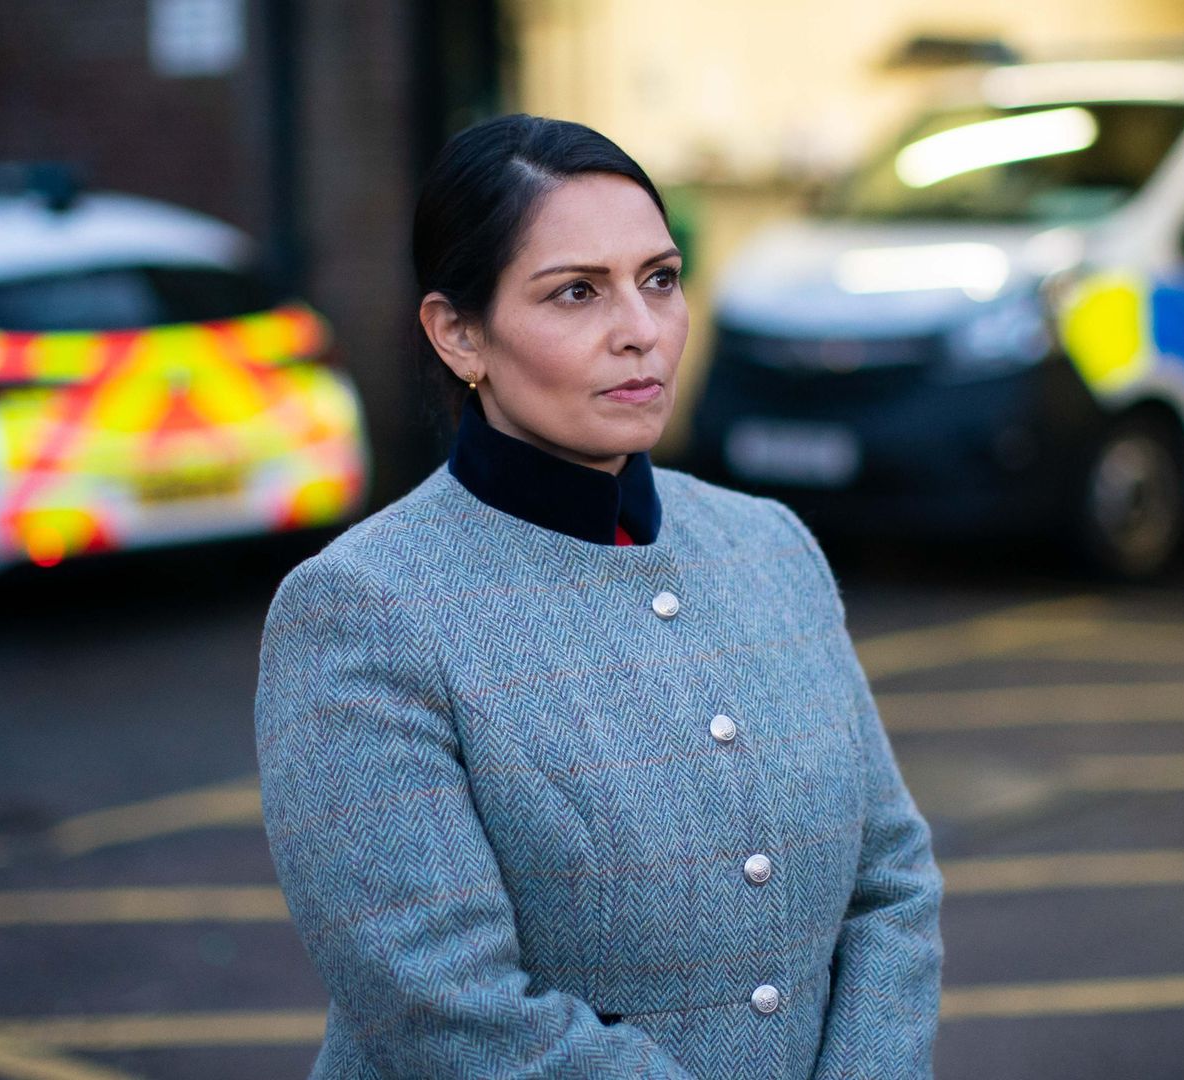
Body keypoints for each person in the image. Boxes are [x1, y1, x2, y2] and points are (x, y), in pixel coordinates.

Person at [255, 114, 943, 1079]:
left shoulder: (768, 546)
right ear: (459, 334)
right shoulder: (363, 611)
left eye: (660, 280)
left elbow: (890, 884)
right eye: (576, 292)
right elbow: (447, 1009)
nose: (641, 331)